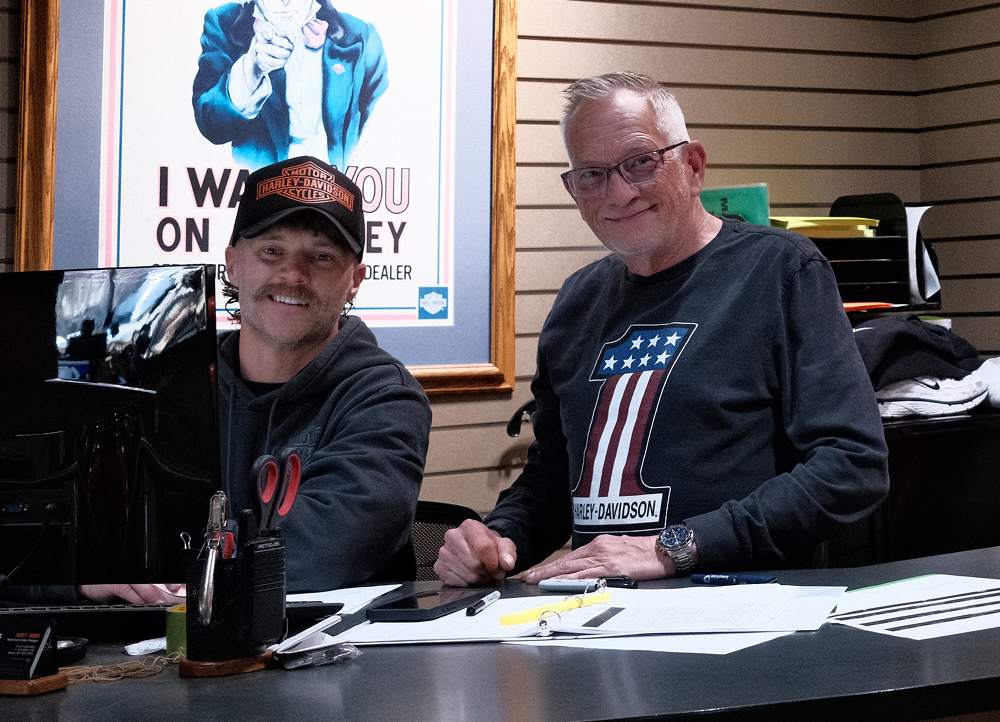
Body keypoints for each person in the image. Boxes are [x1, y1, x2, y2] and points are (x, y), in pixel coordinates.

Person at [435, 72, 890, 587]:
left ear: (693, 166)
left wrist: (674, 548)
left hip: (743, 619)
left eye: (641, 162)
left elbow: (852, 468)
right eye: (590, 174)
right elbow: (556, 476)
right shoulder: (576, 302)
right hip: (596, 621)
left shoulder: (781, 272)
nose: (619, 193)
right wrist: (499, 539)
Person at [77, 156, 431, 603]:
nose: (293, 275)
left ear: (355, 280)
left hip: (334, 660)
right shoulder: (162, 384)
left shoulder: (384, 398)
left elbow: (326, 550)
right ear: (233, 263)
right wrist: (83, 577)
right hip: (158, 654)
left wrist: (166, 560)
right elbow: (67, 535)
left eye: (321, 257)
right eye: (271, 251)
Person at [193, 0, 388, 169]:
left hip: (330, 203)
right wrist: (251, 69)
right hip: (264, 203)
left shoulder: (361, 36)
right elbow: (211, 124)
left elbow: (376, 127)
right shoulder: (222, 22)